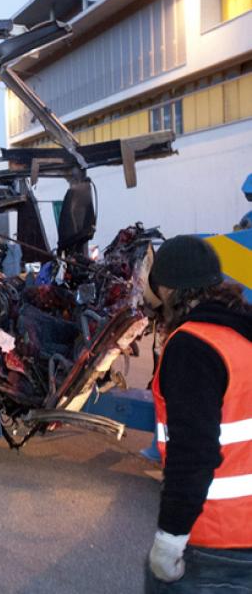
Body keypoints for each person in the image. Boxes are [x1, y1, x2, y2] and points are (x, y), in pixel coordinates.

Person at [143, 235, 252, 592]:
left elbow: (193, 453)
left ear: (167, 289)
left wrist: (171, 537)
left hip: (216, 540)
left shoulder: (192, 347)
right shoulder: (241, 336)